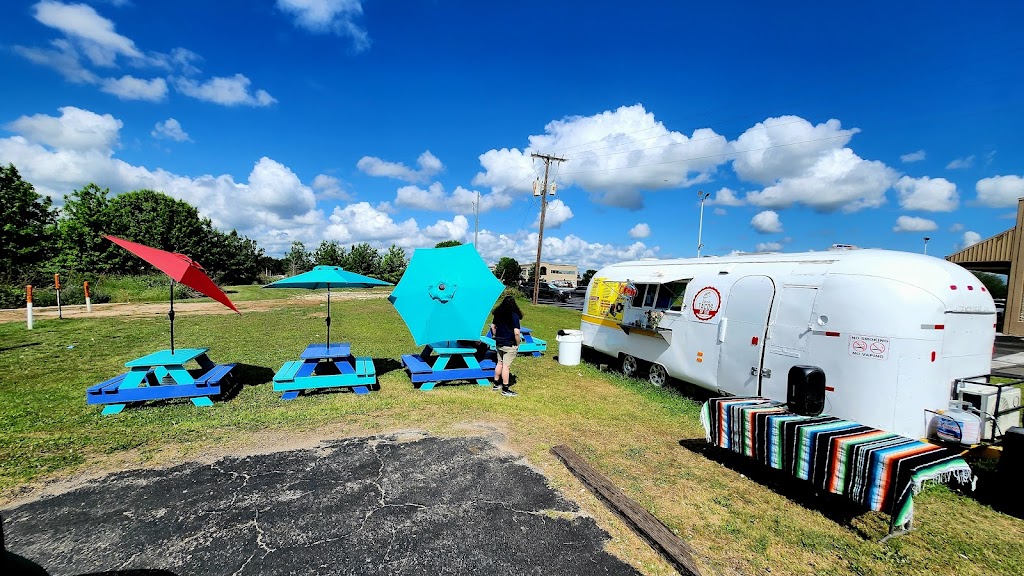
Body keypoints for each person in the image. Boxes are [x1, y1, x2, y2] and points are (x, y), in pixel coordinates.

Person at [490, 294, 522, 397]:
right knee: (506, 366)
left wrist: (495, 336)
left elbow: (493, 326)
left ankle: (496, 384)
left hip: (499, 343)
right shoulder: (514, 315)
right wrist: (518, 343)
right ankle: (505, 388)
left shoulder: (498, 314)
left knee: (499, 363)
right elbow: (516, 333)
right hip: (509, 344)